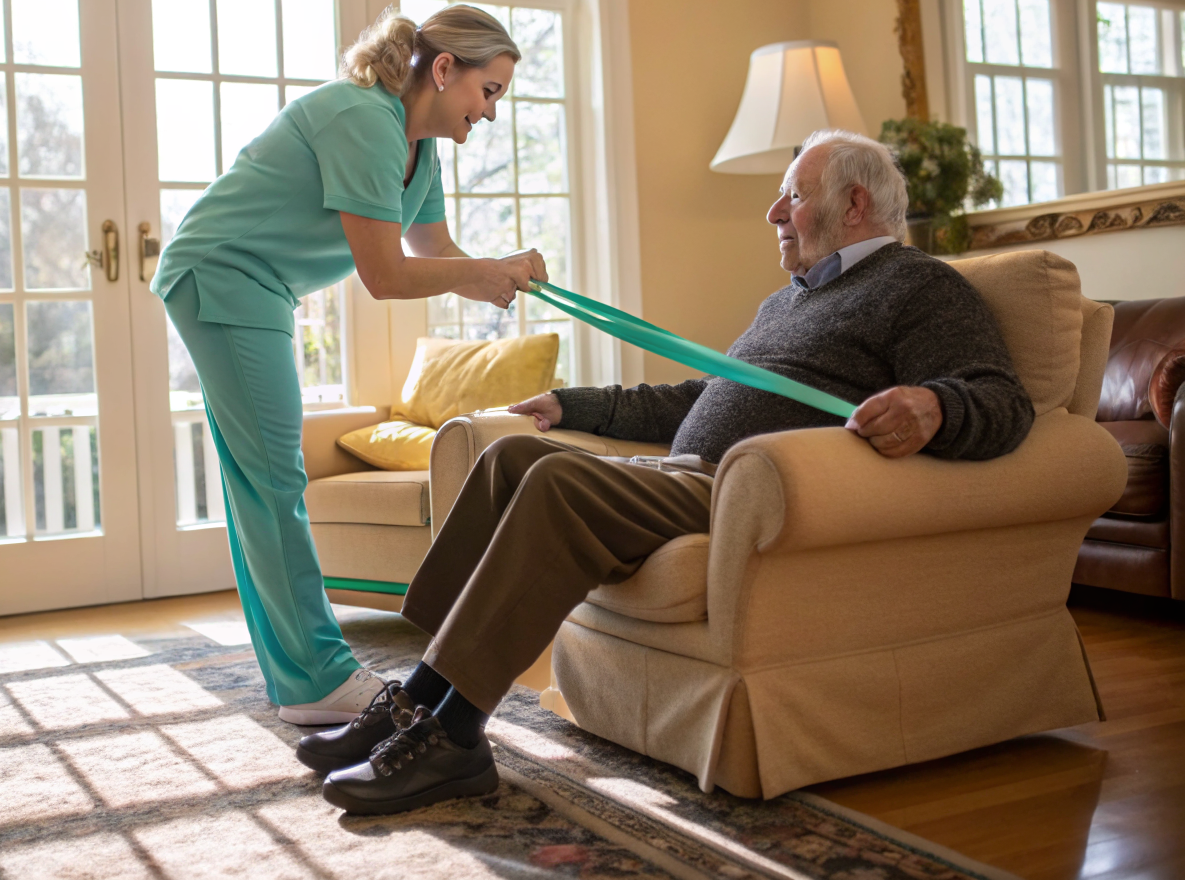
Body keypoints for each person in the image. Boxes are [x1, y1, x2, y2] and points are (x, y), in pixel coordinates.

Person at [299, 128, 1036, 815]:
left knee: (557, 483)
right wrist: (569, 402)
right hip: (686, 474)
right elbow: (700, 397)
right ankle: (416, 699)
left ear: (853, 203)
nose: (773, 210)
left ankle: (453, 737)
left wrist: (934, 408)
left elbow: (1000, 400)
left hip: (746, 490)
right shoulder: (788, 301)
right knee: (510, 457)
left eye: (793, 194)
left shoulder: (919, 287)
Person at [152, 6, 548, 725]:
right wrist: (483, 272)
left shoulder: (418, 148)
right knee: (273, 476)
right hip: (222, 273)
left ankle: (298, 679)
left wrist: (504, 270)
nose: (488, 114)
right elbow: (386, 277)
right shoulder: (362, 118)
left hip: (256, 285)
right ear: (444, 69)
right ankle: (316, 678)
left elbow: (436, 254)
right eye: (487, 93)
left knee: (259, 481)